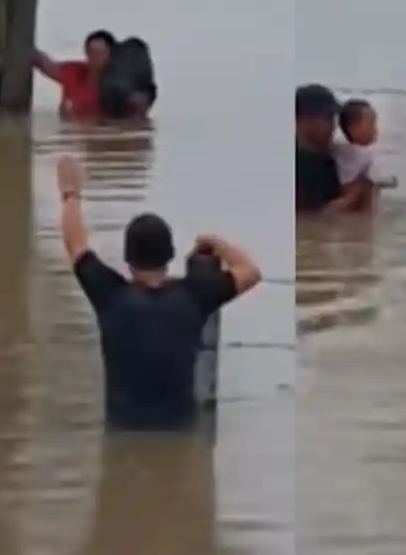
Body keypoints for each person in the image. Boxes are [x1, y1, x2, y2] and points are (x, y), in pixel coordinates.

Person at [56, 155, 262, 430]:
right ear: (171, 255)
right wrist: (216, 244)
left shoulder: (108, 294)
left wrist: (71, 193)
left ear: (127, 260)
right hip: (179, 429)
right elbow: (250, 272)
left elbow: (76, 244)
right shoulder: (196, 294)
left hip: (123, 429)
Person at [330, 98, 395, 213]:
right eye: (371, 124)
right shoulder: (369, 155)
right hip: (361, 202)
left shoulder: (337, 148)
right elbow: (373, 181)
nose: (376, 130)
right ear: (352, 128)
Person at [296, 83, 343, 214]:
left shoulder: (327, 159)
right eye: (328, 117)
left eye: (333, 118)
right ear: (304, 120)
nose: (333, 126)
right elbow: (314, 215)